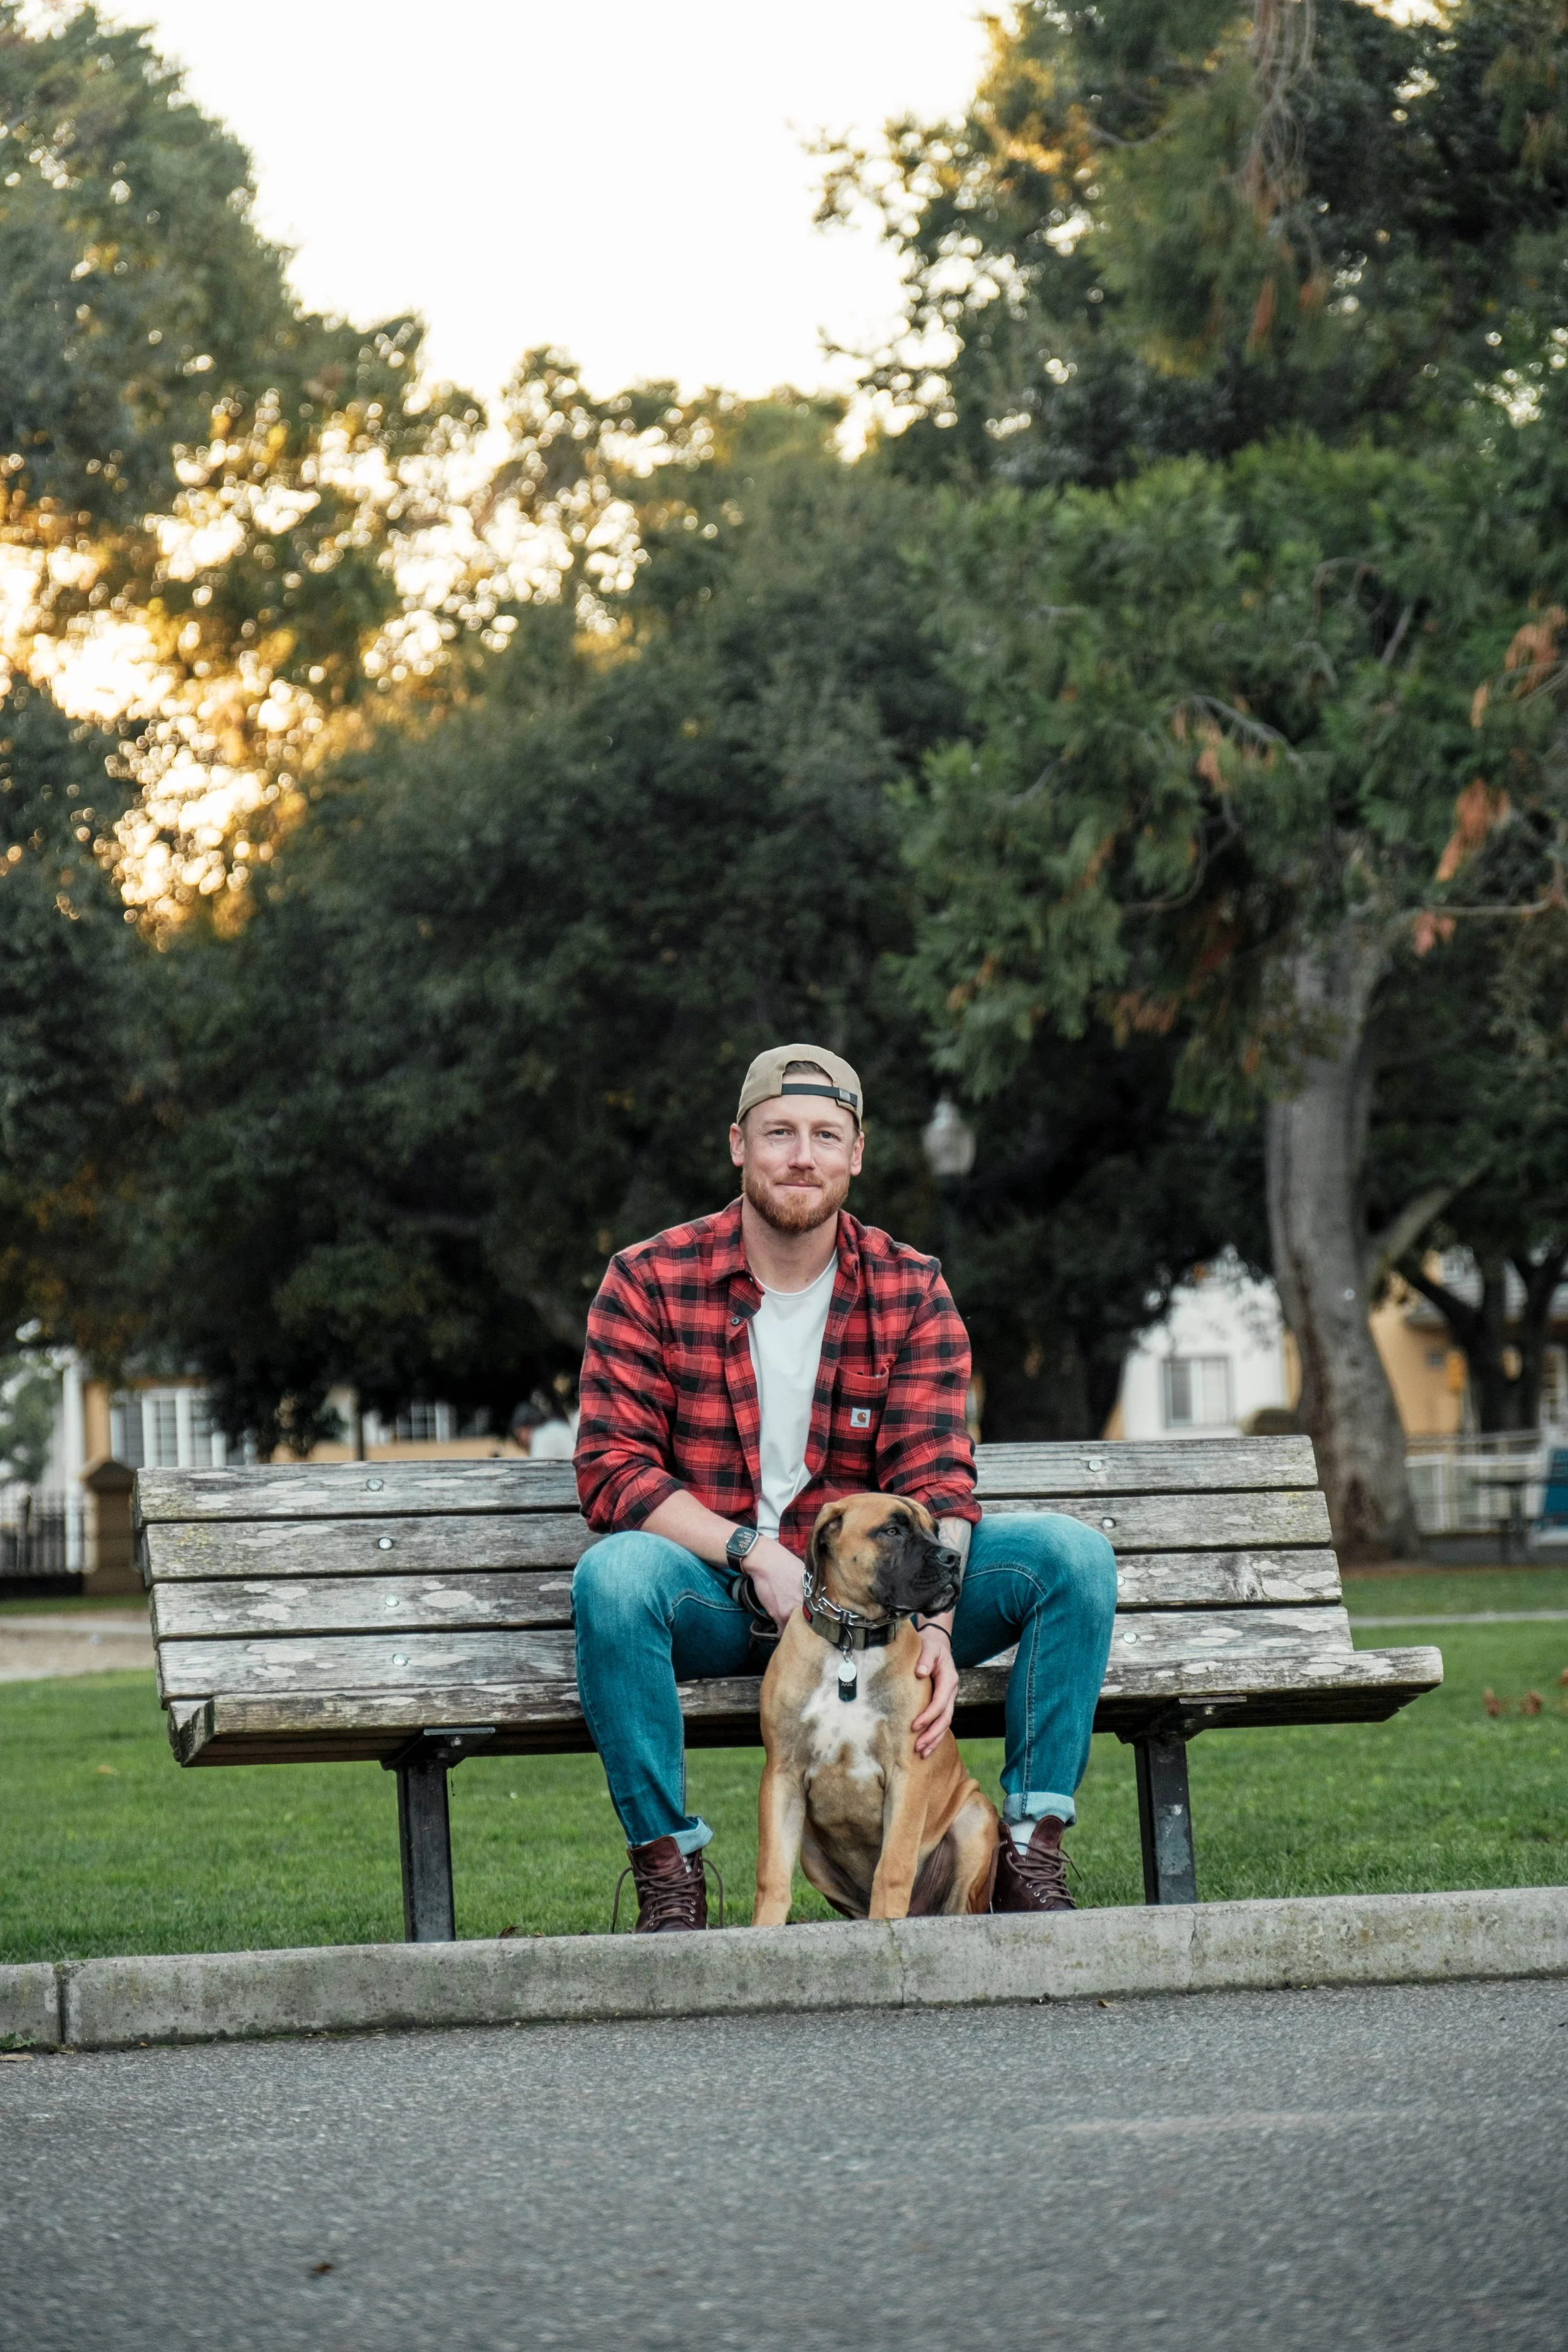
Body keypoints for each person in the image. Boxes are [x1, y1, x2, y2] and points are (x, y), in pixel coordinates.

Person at [571, 1044, 1117, 1932]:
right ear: (738, 1145)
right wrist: (754, 1552)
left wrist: (935, 1623)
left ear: (856, 1154)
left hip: (878, 1605)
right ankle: (669, 1875)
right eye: (779, 1132)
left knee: (1072, 1559)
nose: (802, 1155)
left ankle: (1025, 1851)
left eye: (827, 1135)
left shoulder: (909, 1286)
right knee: (615, 1578)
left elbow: (937, 1475)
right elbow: (612, 1465)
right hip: (720, 1597)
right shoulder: (649, 1279)